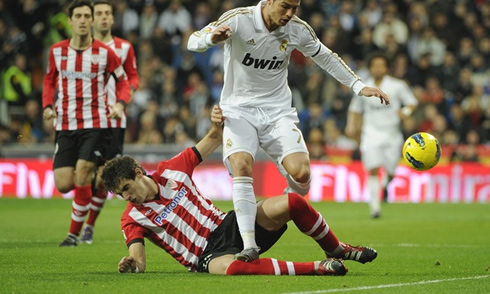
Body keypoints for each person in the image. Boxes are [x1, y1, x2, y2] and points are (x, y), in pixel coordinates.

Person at [187, 0, 390, 261]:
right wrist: (210, 38)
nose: (290, 14)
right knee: (242, 165)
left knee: (302, 174)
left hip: (277, 111)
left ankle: (284, 206)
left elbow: (326, 57)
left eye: (295, 7)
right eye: (285, 6)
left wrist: (359, 85)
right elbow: (193, 41)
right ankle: (249, 246)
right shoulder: (239, 19)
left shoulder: (296, 29)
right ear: (268, 0)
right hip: (238, 110)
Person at [101, 105, 377, 276]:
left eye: (126, 188)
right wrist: (131, 264)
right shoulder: (132, 218)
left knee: (293, 202)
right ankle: (317, 268)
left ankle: (337, 250)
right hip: (205, 256)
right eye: (121, 195)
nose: (127, 198)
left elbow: (212, 139)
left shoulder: (172, 169)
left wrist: (215, 122)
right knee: (235, 269)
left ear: (138, 173)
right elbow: (140, 261)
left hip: (231, 224)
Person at [42, 0, 131, 247]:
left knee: (83, 173)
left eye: (87, 17)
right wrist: (48, 106)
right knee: (63, 184)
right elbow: (49, 80)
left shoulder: (105, 53)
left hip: (96, 123)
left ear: (92, 21)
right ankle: (87, 202)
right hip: (66, 124)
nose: (83, 21)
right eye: (78, 16)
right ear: (70, 21)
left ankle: (74, 235)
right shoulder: (57, 51)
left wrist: (120, 104)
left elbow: (123, 80)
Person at [79, 0, 140, 245]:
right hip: (84, 120)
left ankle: (89, 226)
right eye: (99, 13)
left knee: (104, 176)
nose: (104, 17)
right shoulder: (79, 50)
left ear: (113, 19)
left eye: (108, 13)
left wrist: (124, 100)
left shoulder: (124, 47)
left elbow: (133, 78)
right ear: (92, 19)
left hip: (114, 122)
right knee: (81, 174)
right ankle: (81, 220)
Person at [345, 53, 417, 218]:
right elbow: (355, 108)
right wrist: (351, 125)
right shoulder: (364, 86)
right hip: (370, 134)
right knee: (373, 169)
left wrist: (404, 112)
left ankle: (385, 186)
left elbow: (412, 102)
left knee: (391, 171)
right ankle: (375, 208)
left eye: (381, 65)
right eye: (375, 65)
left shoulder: (397, 86)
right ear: (370, 68)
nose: (378, 68)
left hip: (392, 134)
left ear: (386, 68)